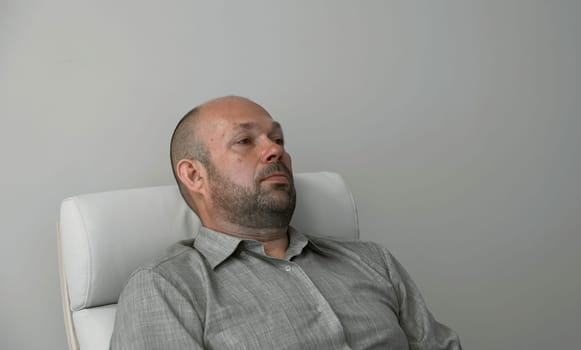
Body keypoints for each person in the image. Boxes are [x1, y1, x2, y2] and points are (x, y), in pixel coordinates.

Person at [110, 96, 462, 350]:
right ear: (194, 175)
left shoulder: (372, 261)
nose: (275, 150)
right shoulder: (167, 287)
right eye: (245, 141)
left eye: (278, 139)